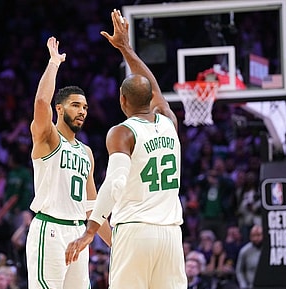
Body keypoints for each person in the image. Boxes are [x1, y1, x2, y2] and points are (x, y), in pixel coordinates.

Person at [65, 9, 187, 289]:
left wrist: (91, 230)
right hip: (170, 235)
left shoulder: (122, 132)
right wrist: (126, 48)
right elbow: (154, 89)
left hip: (135, 232)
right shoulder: (169, 121)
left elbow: (116, 182)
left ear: (122, 100)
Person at [25, 34, 111, 289]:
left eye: (84, 107)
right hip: (49, 230)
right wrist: (54, 63)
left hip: (77, 234)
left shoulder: (86, 152)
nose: (82, 111)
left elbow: (92, 207)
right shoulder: (48, 138)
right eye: (75, 105)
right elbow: (41, 102)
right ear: (60, 109)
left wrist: (117, 243)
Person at [235, 225, 263, 289]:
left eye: (258, 235)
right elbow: (239, 270)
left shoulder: (269, 250)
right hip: (250, 286)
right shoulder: (244, 251)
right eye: (253, 236)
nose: (256, 238)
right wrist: (243, 285)